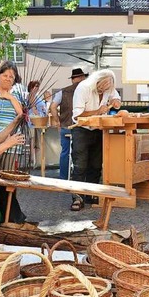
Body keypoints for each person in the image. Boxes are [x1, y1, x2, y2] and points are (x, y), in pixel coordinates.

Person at [69, 69, 121, 211]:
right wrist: (97, 112)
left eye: (106, 87)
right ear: (96, 81)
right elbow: (78, 115)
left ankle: (91, 194)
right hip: (81, 129)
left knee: (96, 165)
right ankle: (77, 197)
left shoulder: (109, 87)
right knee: (80, 165)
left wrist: (116, 101)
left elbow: (116, 97)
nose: (103, 90)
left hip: (98, 129)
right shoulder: (84, 88)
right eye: (101, 87)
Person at [50, 68, 88, 180]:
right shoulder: (86, 91)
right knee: (80, 153)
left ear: (73, 79)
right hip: (81, 127)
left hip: (65, 126)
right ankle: (80, 178)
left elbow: (52, 107)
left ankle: (63, 178)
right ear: (82, 78)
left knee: (65, 152)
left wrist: (57, 121)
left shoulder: (63, 91)